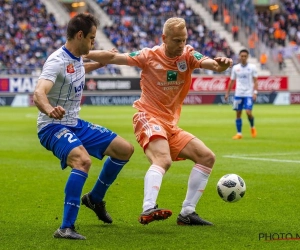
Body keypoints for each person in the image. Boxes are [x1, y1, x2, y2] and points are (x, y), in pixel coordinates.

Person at [85, 17, 232, 226]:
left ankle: (187, 213)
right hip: (147, 116)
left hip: (170, 125)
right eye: (176, 41)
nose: (181, 45)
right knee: (163, 160)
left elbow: (210, 63)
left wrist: (220, 65)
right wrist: (81, 53)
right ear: (164, 38)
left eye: (183, 40)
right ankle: (148, 208)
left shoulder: (188, 55)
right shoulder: (149, 55)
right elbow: (114, 58)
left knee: (207, 157)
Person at [33, 13, 134, 240]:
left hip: (75, 124)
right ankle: (66, 227)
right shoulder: (56, 61)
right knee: (82, 160)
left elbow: (77, 69)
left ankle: (94, 199)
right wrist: (50, 109)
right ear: (79, 35)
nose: (93, 43)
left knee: (124, 149)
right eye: (91, 38)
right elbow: (39, 93)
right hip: (52, 126)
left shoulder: (77, 56)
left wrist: (99, 63)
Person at [225, 49, 258, 139]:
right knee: (238, 113)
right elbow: (231, 81)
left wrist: (255, 92)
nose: (243, 58)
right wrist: (227, 93)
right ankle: (239, 133)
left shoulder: (252, 67)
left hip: (248, 93)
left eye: (245, 56)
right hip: (238, 93)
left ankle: (252, 127)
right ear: (239, 57)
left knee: (248, 112)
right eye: (242, 56)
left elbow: (255, 81)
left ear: (247, 57)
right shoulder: (236, 68)